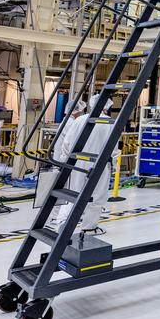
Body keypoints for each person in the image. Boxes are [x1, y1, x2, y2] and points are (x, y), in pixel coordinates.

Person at [53, 93, 120, 233]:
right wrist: (114, 166)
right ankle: (89, 227)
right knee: (97, 196)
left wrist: (67, 160)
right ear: (107, 107)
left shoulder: (80, 120)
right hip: (100, 165)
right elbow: (113, 149)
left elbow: (67, 143)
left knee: (72, 194)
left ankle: (62, 221)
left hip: (77, 163)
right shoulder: (110, 123)